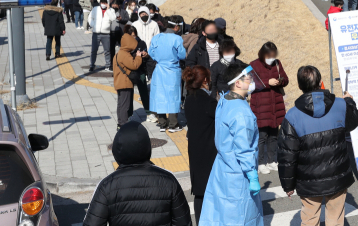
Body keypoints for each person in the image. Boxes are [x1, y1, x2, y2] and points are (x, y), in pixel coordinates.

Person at [278, 66, 358, 226]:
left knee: (309, 219)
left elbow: (287, 155)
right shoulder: (340, 105)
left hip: (308, 180)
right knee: (335, 218)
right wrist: (349, 101)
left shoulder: (292, 116)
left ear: (300, 86)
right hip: (337, 175)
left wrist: (288, 185)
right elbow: (354, 121)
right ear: (321, 82)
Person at [83, 121, 191, 226]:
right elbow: (183, 222)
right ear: (148, 147)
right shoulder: (168, 180)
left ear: (116, 150)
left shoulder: (106, 185)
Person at [199, 63, 263, 226]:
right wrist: (252, 174)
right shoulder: (241, 112)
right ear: (238, 83)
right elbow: (244, 148)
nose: (252, 82)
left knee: (221, 214)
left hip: (222, 168)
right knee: (241, 216)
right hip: (238, 172)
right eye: (249, 79)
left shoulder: (225, 100)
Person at [183, 65, 218, 224]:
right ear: (205, 80)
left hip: (195, 149)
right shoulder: (209, 101)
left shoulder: (189, 99)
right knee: (212, 189)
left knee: (199, 191)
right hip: (210, 151)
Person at [249, 42, 289, 174]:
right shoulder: (253, 65)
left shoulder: (277, 63)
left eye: (273, 55)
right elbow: (250, 84)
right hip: (261, 106)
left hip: (275, 104)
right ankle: (260, 162)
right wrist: (268, 83)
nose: (271, 58)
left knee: (273, 135)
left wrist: (281, 81)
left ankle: (272, 160)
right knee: (261, 136)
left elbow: (286, 79)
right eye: (269, 56)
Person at [149, 15, 187, 133]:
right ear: (176, 27)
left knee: (159, 95)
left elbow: (151, 53)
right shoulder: (177, 39)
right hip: (173, 70)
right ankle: (173, 124)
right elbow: (182, 55)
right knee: (173, 96)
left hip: (159, 69)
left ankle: (162, 123)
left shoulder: (156, 38)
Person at [113, 33, 142, 130]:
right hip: (125, 83)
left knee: (121, 105)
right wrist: (138, 57)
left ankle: (120, 123)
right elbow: (134, 65)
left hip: (119, 82)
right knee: (125, 105)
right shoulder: (125, 55)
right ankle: (123, 124)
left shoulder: (118, 54)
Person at [89, 0, 116, 72]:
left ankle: (108, 65)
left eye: (105, 3)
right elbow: (90, 18)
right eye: (102, 2)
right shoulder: (95, 9)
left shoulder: (111, 10)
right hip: (96, 33)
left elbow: (113, 18)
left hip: (106, 33)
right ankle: (92, 65)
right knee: (94, 50)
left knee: (107, 51)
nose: (103, 4)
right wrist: (93, 25)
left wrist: (108, 9)